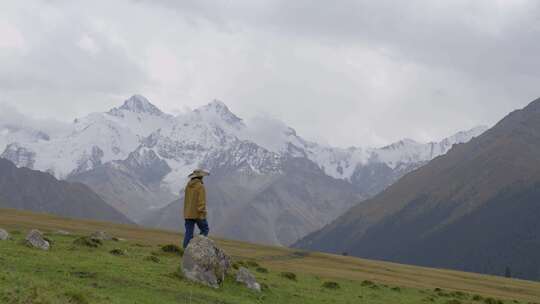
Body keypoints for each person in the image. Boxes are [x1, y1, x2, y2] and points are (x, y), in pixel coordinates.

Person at [182, 169, 210, 249]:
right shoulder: (200, 186)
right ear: (200, 177)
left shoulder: (188, 186)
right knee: (205, 229)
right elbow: (201, 201)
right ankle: (197, 248)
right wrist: (202, 212)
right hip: (198, 213)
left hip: (187, 213)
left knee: (189, 232)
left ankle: (186, 250)